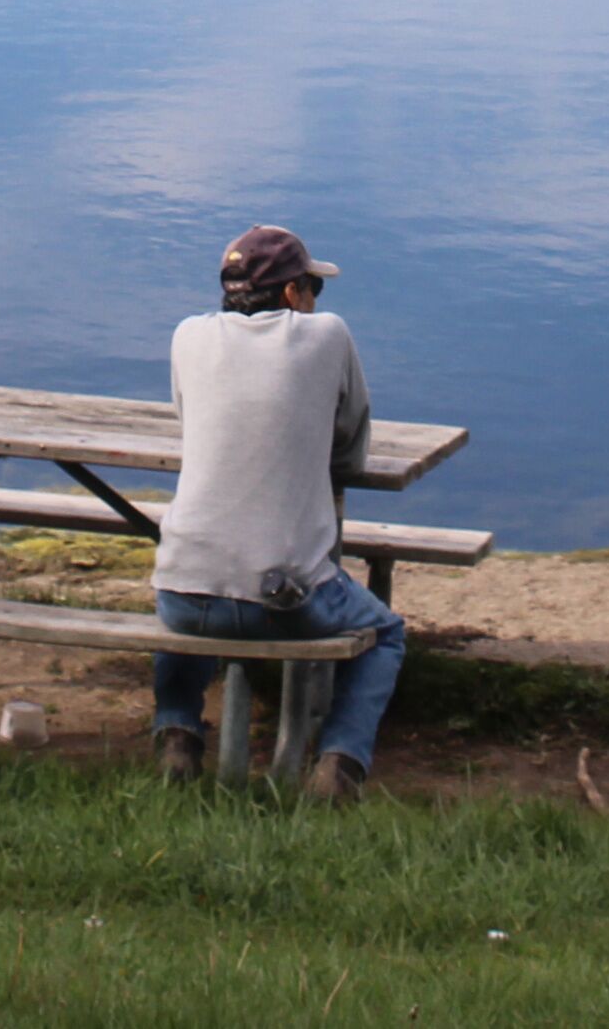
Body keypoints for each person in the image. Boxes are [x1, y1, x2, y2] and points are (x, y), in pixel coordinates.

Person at [148, 224, 406, 802]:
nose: (317, 301)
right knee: (385, 632)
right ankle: (340, 766)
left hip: (183, 599)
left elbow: (190, 422)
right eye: (313, 286)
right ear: (293, 294)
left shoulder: (187, 336)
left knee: (192, 571)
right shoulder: (328, 337)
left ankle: (178, 734)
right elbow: (350, 445)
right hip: (288, 600)